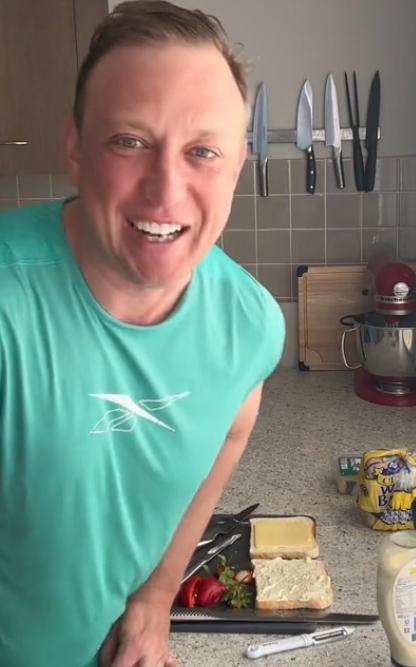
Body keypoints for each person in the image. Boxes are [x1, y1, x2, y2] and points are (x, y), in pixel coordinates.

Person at [0, 2, 284, 666]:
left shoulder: (250, 327)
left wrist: (155, 598)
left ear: (237, 164)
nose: (165, 191)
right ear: (74, 147)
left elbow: (228, 434)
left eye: (202, 151)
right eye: (130, 140)